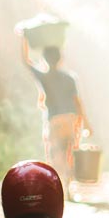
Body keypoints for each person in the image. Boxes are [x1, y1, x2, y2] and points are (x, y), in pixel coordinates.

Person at [21, 37, 86, 186]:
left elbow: (26, 60)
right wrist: (85, 123)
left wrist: (24, 37)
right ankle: (69, 183)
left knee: (55, 152)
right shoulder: (70, 78)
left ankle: (59, 184)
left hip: (54, 119)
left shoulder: (44, 76)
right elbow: (77, 102)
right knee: (69, 150)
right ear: (60, 59)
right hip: (70, 118)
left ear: (44, 59)